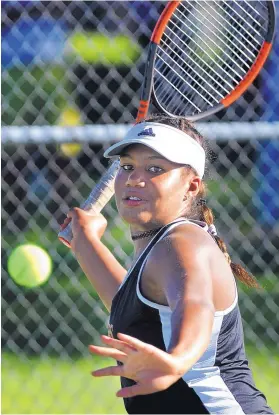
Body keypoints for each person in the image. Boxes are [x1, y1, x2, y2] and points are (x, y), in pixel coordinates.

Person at [61, 115, 273, 414]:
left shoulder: (182, 243)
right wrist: (85, 241)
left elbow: (194, 304)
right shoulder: (160, 247)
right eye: (127, 167)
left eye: (155, 168)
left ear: (192, 186)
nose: (135, 178)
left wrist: (177, 360)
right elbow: (128, 303)